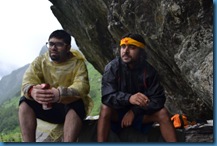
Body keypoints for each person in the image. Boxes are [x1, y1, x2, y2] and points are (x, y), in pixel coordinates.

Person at [97, 33, 177, 142]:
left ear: (141, 51)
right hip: (118, 114)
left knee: (163, 113)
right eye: (123, 47)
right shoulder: (112, 68)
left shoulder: (149, 71)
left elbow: (158, 99)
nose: (125, 51)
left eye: (132, 48)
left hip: (140, 114)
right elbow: (107, 96)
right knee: (105, 108)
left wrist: (134, 111)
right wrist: (129, 98)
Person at [18, 29, 93, 142]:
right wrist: (32, 91)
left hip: (68, 109)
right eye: (51, 44)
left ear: (67, 47)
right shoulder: (40, 61)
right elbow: (27, 80)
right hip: (47, 107)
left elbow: (83, 86)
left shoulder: (78, 63)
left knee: (77, 103)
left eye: (59, 44)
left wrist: (60, 93)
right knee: (24, 102)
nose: (53, 48)